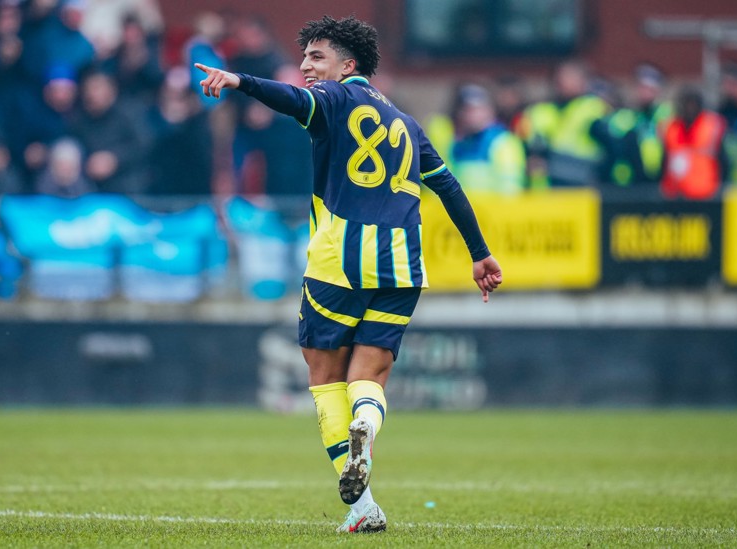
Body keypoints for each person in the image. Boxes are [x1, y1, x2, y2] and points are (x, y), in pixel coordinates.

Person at [196, 15, 501, 533]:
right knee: (370, 378)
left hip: (341, 255)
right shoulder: (407, 121)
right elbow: (447, 186)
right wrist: (480, 253)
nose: (306, 67)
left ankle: (361, 506)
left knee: (323, 379)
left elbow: (294, 101)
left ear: (348, 65)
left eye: (317, 57)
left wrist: (239, 81)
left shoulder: (335, 100)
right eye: (305, 57)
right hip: (402, 259)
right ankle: (366, 438)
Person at [516, 60, 610, 188]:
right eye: (561, 77)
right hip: (543, 189)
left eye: (570, 77)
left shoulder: (593, 109)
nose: (563, 81)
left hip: (582, 186)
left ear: (583, 81)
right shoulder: (539, 111)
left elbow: (610, 153)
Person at [448, 84, 527, 193]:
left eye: (476, 109)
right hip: (464, 209)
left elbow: (510, 188)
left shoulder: (504, 141)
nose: (471, 115)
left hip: (494, 209)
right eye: (466, 110)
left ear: (489, 111)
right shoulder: (457, 142)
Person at [660, 87, 727, 200]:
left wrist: (721, 187)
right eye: (686, 105)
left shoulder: (711, 125)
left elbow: (723, 159)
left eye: (693, 105)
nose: (689, 109)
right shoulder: (671, 127)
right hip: (675, 193)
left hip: (705, 192)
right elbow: (665, 159)